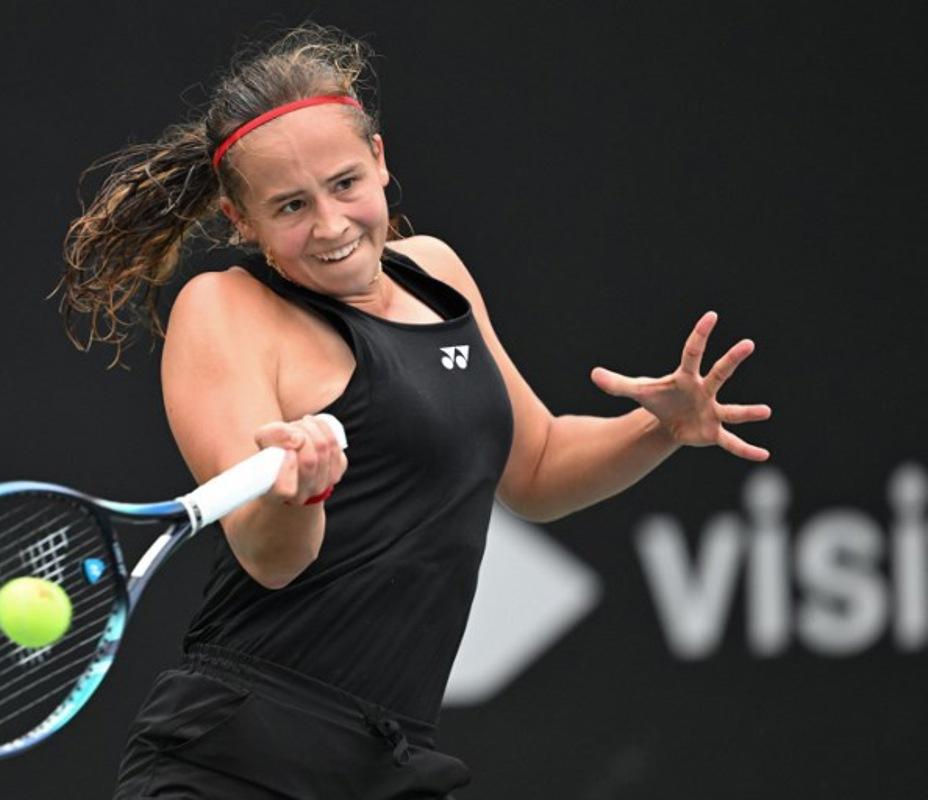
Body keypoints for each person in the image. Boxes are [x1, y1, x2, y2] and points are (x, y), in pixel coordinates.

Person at [58, 23, 771, 800]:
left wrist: (658, 428)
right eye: (290, 205)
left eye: (345, 184)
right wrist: (304, 492)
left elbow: (535, 472)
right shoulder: (223, 309)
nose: (330, 226)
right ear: (240, 219)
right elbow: (271, 555)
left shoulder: (438, 272)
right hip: (235, 756)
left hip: (388, 760)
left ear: (381, 161)